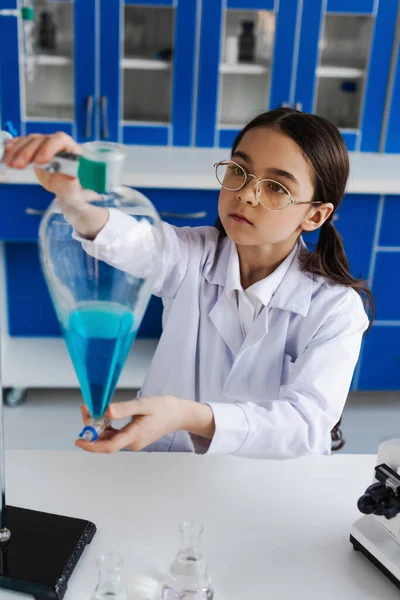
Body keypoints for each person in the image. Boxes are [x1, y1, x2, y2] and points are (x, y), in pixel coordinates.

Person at [4, 108, 372, 458]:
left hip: (273, 485)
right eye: (238, 171)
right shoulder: (193, 255)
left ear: (315, 215)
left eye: (276, 187)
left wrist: (186, 416)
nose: (245, 193)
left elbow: (305, 423)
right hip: (170, 465)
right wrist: (73, 198)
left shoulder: (335, 309)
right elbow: (131, 241)